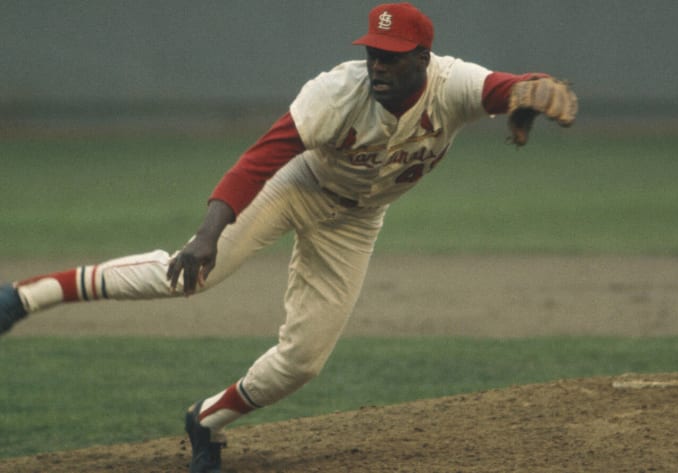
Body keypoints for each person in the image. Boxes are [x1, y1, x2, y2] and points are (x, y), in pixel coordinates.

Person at [0, 3, 577, 472]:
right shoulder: (335, 92)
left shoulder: (453, 84)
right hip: (296, 186)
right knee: (185, 276)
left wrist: (527, 99)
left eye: (394, 57)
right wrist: (207, 234)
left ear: (423, 58)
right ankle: (25, 298)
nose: (378, 65)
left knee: (303, 362)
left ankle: (204, 421)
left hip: (355, 222)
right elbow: (260, 160)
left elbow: (510, 88)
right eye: (374, 53)